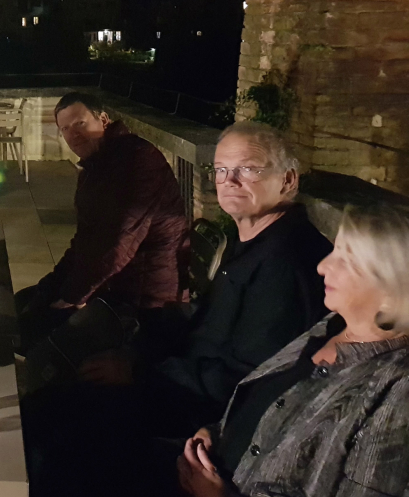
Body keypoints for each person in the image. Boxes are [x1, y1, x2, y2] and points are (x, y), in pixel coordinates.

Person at [24, 123, 333, 497]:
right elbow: (202, 324)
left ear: (287, 180)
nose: (229, 181)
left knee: (57, 426)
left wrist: (139, 373)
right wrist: (136, 354)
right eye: (221, 169)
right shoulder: (257, 241)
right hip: (178, 382)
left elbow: (247, 379)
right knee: (50, 399)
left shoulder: (286, 263)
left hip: (197, 413)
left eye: (248, 169)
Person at [178, 204, 409, 497]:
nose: (322, 267)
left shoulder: (396, 390)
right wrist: (215, 432)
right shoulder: (331, 326)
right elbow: (268, 407)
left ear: (391, 294)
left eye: (346, 260)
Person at [15, 92, 188, 351]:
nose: (73, 134)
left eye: (80, 123)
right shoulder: (97, 166)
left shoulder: (138, 159)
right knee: (25, 302)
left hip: (144, 301)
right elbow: (84, 240)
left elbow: (118, 243)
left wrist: (74, 296)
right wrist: (53, 283)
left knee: (38, 325)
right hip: (114, 283)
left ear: (104, 120)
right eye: (65, 129)